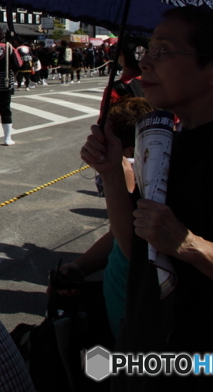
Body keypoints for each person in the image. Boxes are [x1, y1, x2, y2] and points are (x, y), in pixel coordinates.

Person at [80, 6, 213, 391]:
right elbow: (137, 253)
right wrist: (113, 174)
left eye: (163, 51)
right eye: (148, 48)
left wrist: (193, 246)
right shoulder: (167, 147)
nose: (144, 61)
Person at [54, 97, 154, 344]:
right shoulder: (139, 167)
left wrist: (112, 175)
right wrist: (81, 266)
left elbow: (134, 247)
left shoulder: (134, 174)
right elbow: (117, 235)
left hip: (138, 330)